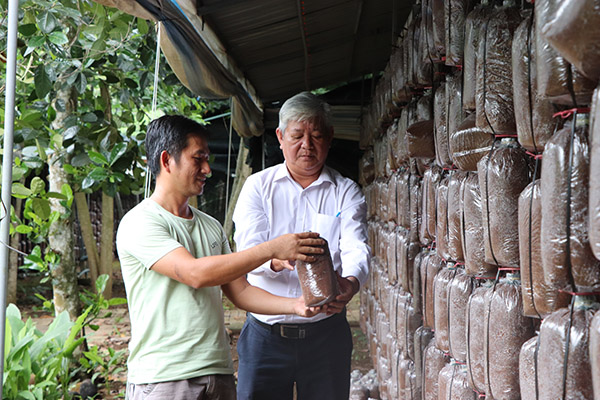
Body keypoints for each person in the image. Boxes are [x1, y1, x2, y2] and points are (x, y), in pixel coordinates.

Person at [116, 115, 325, 400]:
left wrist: (297, 305)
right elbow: (195, 274)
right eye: (198, 159)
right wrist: (272, 248)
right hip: (165, 378)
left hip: (217, 373)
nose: (207, 169)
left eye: (207, 159)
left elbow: (241, 291)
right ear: (167, 160)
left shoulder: (210, 226)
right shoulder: (140, 222)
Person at [232, 91, 370, 400]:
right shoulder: (258, 188)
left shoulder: (345, 192)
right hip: (265, 336)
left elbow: (355, 247)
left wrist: (350, 283)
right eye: (297, 136)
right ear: (280, 137)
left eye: (316, 135)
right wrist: (278, 259)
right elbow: (247, 251)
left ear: (330, 138)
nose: (306, 145)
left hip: (326, 335)